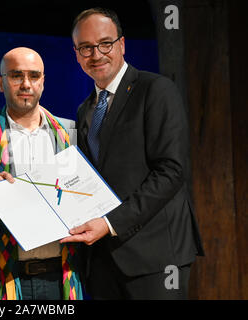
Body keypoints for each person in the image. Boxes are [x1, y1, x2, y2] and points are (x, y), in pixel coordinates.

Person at [60, 8, 204, 299]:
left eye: (105, 43)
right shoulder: (84, 109)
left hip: (156, 257)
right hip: (101, 260)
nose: (96, 54)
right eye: (86, 47)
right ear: (76, 54)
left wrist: (110, 223)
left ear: (122, 45)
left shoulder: (157, 90)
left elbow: (171, 171)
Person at [0, 47, 82, 300]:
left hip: (63, 276)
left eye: (34, 76)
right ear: (1, 83)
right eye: (16, 76)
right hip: (5, 277)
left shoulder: (69, 130)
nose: (26, 84)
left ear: (43, 82)